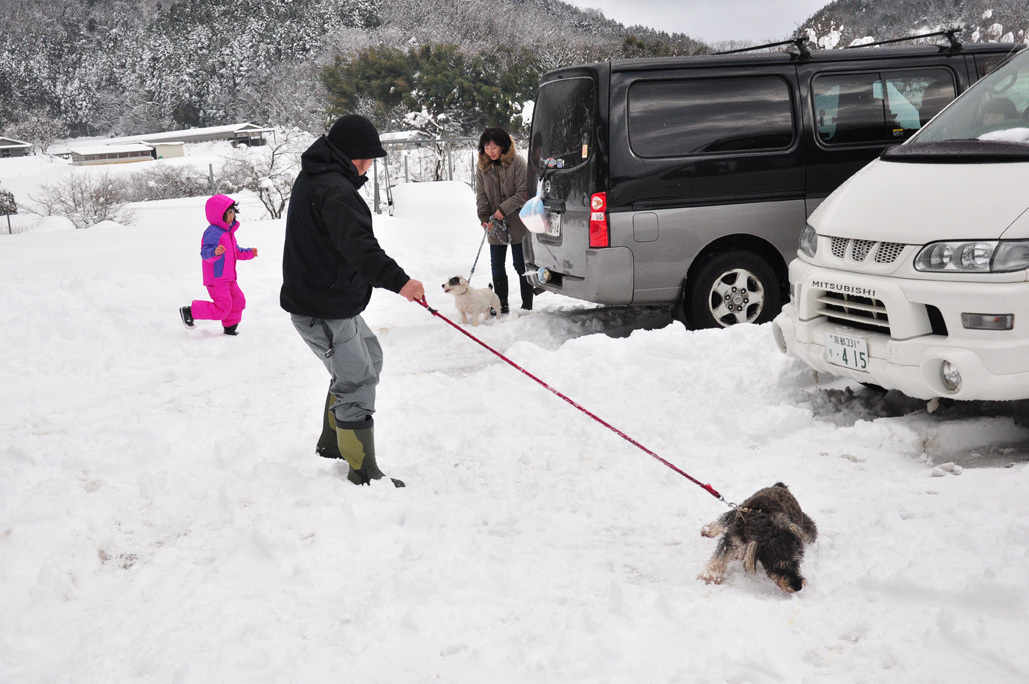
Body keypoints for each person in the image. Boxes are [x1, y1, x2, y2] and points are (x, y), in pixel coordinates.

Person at [281, 114, 424, 488]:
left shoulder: (320, 177)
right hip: (321, 306)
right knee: (357, 378)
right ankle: (362, 471)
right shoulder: (335, 189)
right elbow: (360, 249)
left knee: (369, 357)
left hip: (330, 300)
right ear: (355, 156)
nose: (370, 165)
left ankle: (333, 442)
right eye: (369, 157)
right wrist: (401, 282)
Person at [179, 194, 257, 335]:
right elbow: (205, 253)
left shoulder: (228, 233)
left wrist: (249, 253)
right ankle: (189, 311)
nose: (232, 215)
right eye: (229, 212)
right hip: (217, 278)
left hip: (229, 278)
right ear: (218, 214)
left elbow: (236, 252)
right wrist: (215, 252)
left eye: (233, 212)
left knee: (238, 300)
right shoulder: (213, 232)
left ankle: (230, 327)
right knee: (223, 308)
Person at [475, 127, 533, 314]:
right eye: (486, 147)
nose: (490, 151)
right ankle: (501, 305)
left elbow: (523, 193)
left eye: (494, 147)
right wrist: (484, 217)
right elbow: (481, 194)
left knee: (520, 264)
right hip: (495, 224)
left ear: (503, 146)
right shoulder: (483, 167)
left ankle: (527, 305)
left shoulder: (517, 163)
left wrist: (503, 209)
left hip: (517, 222)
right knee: (497, 265)